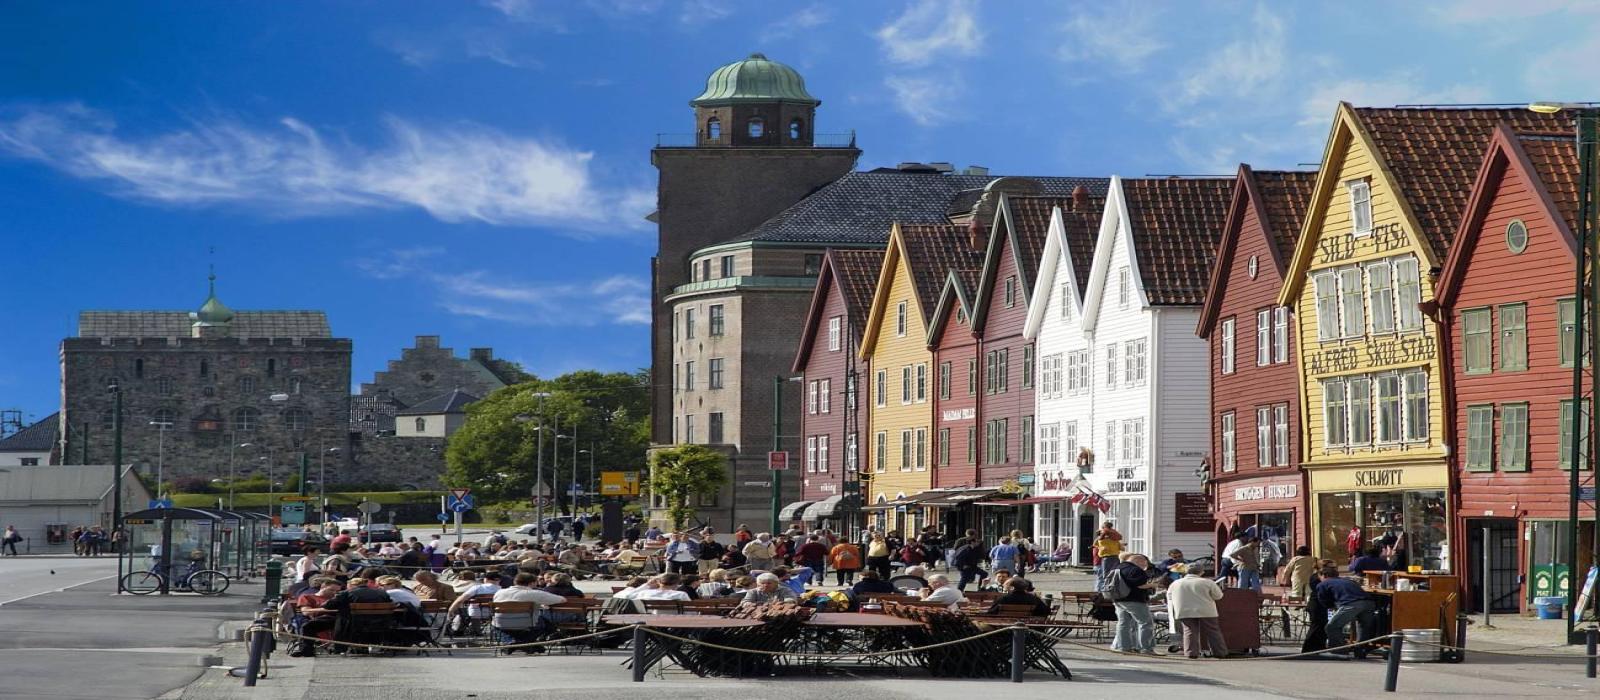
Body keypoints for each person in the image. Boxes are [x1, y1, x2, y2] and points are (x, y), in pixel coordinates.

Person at [1167, 564, 1230, 659]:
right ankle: (1220, 652)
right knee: (1213, 631)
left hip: (1184, 610)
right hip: (1206, 610)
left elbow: (1169, 596)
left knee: (1189, 631)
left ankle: (1191, 653)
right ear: (1201, 572)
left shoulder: (1176, 583)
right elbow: (1218, 596)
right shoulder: (1207, 582)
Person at [492, 572, 566, 652]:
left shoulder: (499, 592)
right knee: (544, 622)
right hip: (526, 623)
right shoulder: (534, 593)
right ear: (532, 583)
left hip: (501, 623)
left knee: (500, 625)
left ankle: (514, 642)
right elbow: (562, 599)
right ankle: (525, 643)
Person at [1316, 566, 1378, 659]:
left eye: (1319, 577)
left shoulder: (1323, 584)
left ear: (1324, 575)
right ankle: (1360, 651)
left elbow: (1323, 600)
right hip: (1369, 602)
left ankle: (1339, 651)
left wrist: (1331, 607)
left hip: (1351, 604)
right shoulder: (1349, 581)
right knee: (1363, 627)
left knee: (1332, 627)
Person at [1109, 553, 1159, 655]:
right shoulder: (1136, 570)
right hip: (1135, 600)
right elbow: (1140, 585)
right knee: (1145, 623)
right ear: (1139, 561)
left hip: (1118, 599)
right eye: (1144, 563)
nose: (1145, 566)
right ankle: (1146, 648)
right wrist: (1153, 584)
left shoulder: (1118, 567)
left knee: (1123, 623)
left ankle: (1124, 647)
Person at [1093, 523, 1123, 591]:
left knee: (1106, 575)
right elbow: (1119, 537)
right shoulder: (1113, 538)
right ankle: (1108, 589)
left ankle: (1106, 590)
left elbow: (1096, 541)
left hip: (1108, 557)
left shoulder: (1104, 539)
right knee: (1110, 575)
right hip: (1113, 556)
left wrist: (1106, 530)